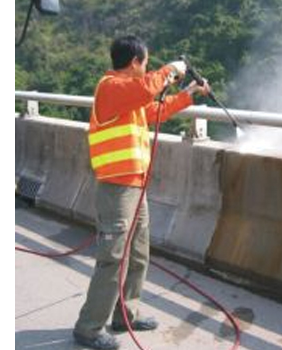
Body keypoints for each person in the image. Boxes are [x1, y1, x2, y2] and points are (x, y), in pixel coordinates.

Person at [73, 35, 210, 350]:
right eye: (145, 62)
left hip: (135, 184)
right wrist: (172, 70)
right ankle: (89, 328)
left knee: (138, 254)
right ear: (135, 62)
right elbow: (147, 88)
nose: (146, 67)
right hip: (117, 188)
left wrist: (188, 94)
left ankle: (126, 314)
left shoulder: (129, 98)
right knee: (113, 258)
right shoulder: (110, 87)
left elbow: (153, 112)